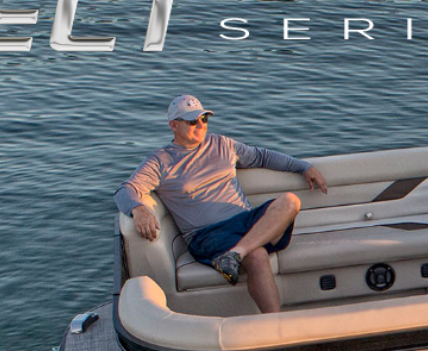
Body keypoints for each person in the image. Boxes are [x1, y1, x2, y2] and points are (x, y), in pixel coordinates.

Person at [116, 95, 327, 314]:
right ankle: (275, 323)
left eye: (204, 119)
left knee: (290, 201)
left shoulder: (222, 144)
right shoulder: (160, 161)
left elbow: (262, 157)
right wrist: (138, 209)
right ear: (174, 125)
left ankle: (235, 255)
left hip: (245, 219)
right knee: (257, 255)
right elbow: (125, 190)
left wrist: (303, 167)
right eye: (193, 121)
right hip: (207, 234)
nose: (201, 125)